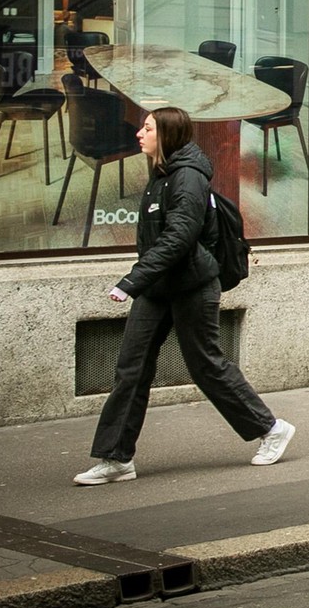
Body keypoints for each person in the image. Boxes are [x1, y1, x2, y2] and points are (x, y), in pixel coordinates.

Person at [74, 105, 294, 485]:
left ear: (168, 135)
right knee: (131, 368)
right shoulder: (162, 173)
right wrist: (145, 281)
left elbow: (179, 238)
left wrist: (131, 281)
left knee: (205, 365)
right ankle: (116, 459)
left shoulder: (187, 177)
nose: (139, 134)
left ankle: (271, 429)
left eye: (147, 129)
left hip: (192, 284)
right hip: (159, 286)